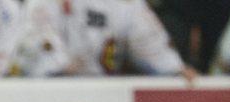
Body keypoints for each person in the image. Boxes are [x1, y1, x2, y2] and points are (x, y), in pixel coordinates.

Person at [16, 0, 197, 79]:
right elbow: (36, 43)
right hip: (50, 96)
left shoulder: (126, 4)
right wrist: (62, 67)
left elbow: (153, 47)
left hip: (104, 99)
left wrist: (174, 70)